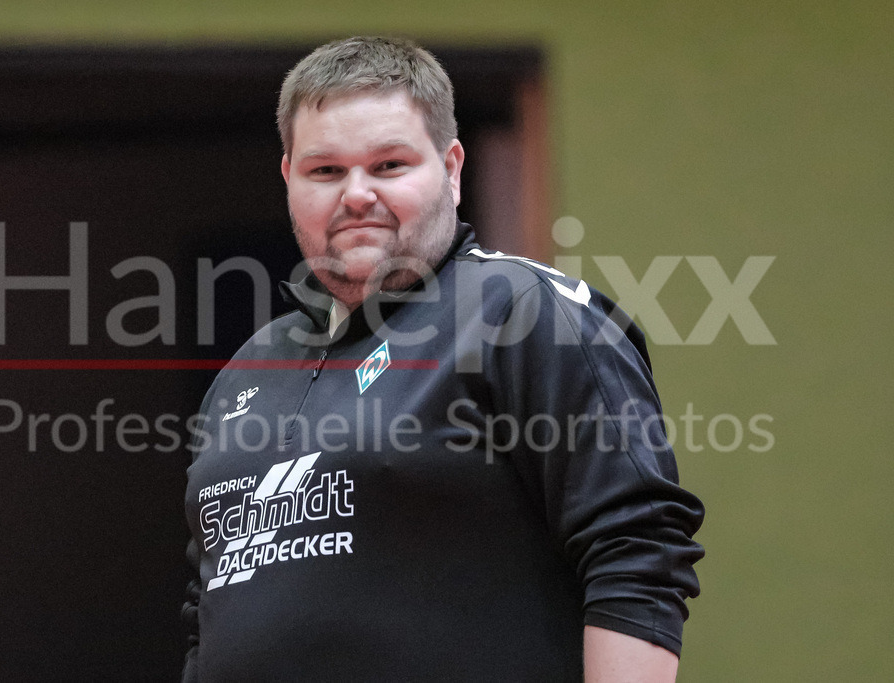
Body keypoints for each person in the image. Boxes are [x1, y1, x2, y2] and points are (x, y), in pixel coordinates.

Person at [183, 36, 703, 681]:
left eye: (389, 165)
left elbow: (637, 550)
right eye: (326, 171)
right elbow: (208, 613)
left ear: (452, 170)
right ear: (290, 179)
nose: (356, 195)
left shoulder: (519, 313)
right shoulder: (247, 370)